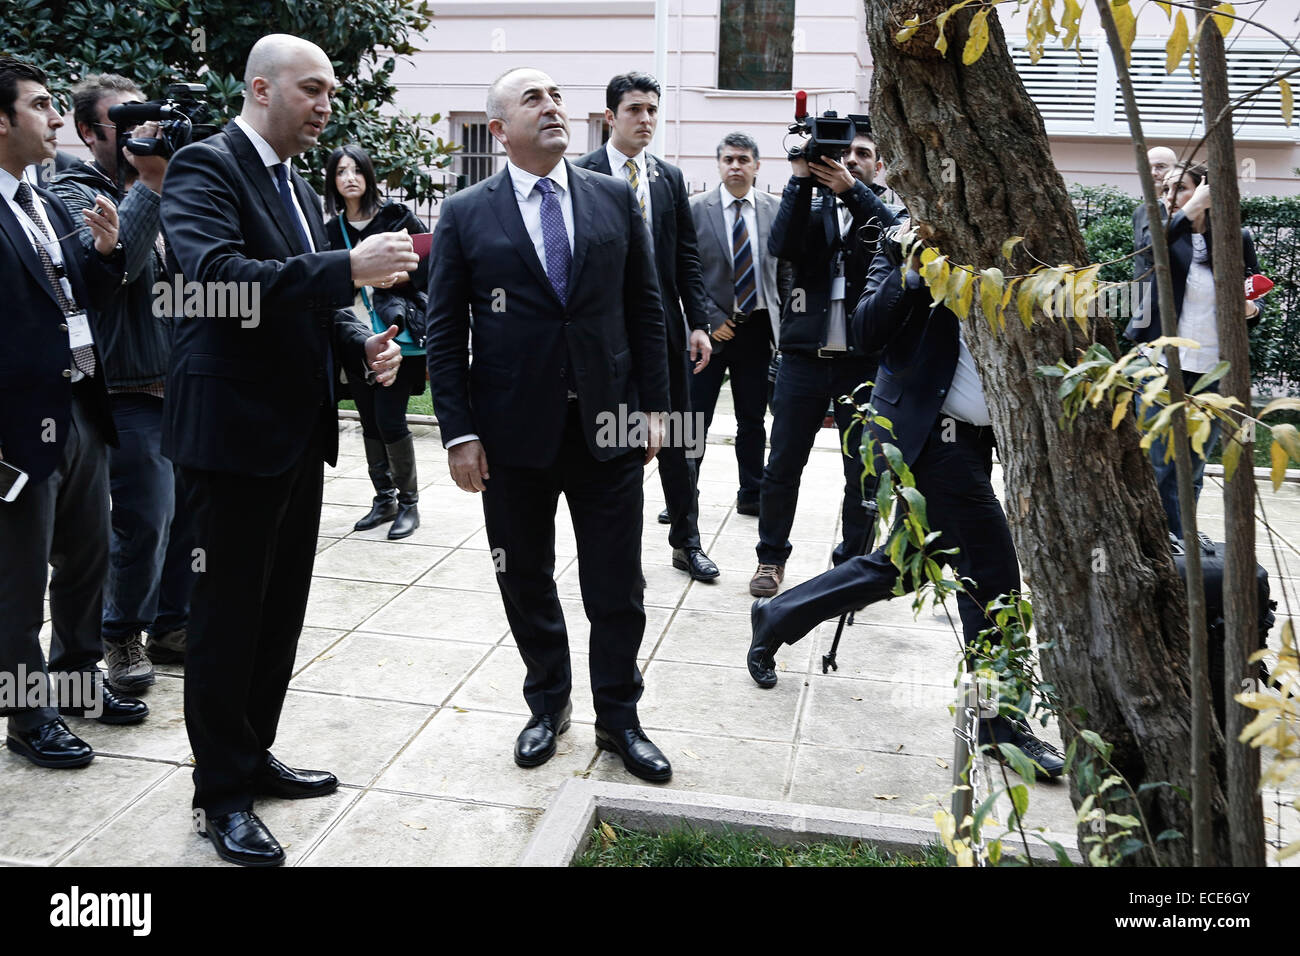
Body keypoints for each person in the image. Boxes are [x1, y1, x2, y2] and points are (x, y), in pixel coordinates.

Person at [160, 34, 413, 866]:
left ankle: (252, 752)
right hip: (229, 438)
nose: (326, 106)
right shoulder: (205, 166)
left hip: (298, 435)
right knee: (227, 620)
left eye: (332, 93)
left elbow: (314, 298)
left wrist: (360, 346)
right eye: (312, 90)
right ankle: (221, 794)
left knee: (278, 617)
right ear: (261, 88)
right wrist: (348, 266)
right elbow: (218, 280)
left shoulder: (299, 186)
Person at [426, 67, 675, 783]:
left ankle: (620, 718)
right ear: (499, 129)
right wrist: (459, 432)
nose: (553, 107)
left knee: (617, 585)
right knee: (525, 576)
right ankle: (548, 704)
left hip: (610, 427)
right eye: (533, 99)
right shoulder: (467, 213)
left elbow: (646, 308)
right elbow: (444, 334)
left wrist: (656, 408)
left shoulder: (612, 197)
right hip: (510, 437)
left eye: (557, 96)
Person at [746, 225, 1065, 781]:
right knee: (992, 574)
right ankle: (997, 722)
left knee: (910, 564)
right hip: (926, 439)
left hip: (971, 442)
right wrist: (912, 272)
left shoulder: (1015, 237)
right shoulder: (901, 240)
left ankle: (777, 615)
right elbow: (866, 330)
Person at [0, 56, 141, 769]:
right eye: (42, 105)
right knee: (16, 585)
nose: (57, 119)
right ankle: (26, 719)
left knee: (88, 564)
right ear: (2, 119)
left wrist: (110, 256)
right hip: (16, 434)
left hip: (83, 409)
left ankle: (80, 686)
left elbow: (83, 298)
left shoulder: (48, 203)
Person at [49, 74, 195, 688]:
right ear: (88, 131)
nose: (139, 133)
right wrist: (150, 184)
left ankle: (171, 623)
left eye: (145, 119)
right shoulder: (72, 191)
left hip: (182, 382)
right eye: (122, 123)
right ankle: (120, 636)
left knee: (188, 515)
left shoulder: (173, 183)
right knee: (144, 516)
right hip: (123, 386)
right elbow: (116, 272)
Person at [574, 72, 718, 583]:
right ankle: (618, 552)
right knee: (620, 441)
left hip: (663, 334)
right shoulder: (580, 175)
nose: (646, 120)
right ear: (611, 116)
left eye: (652, 110)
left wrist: (698, 322)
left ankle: (687, 542)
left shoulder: (668, 178)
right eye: (635, 110)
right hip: (609, 337)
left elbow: (686, 256)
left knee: (679, 440)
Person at [751, 126, 899, 598]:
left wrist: (853, 193)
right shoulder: (810, 206)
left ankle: (852, 565)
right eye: (843, 153)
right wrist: (799, 176)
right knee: (782, 465)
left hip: (863, 361)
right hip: (803, 358)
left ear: (879, 166)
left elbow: (890, 244)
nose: (851, 159)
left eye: (863, 154)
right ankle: (770, 558)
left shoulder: (886, 213)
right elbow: (782, 246)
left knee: (864, 470)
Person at [1130, 162, 1262, 538]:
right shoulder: (1160, 227)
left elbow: (1253, 294)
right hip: (1159, 362)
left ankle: (1183, 531)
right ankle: (1158, 535)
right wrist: (1188, 209)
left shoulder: (1236, 238)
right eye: (1166, 188)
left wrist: (1251, 308)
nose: (1169, 196)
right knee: (1159, 459)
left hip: (1211, 369)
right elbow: (1147, 249)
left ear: (1205, 192)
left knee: (1194, 460)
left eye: (1181, 188)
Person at [324, 143, 430, 539]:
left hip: (397, 335)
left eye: (355, 170)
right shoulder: (330, 230)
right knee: (369, 420)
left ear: (368, 176)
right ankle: (383, 498)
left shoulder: (397, 218)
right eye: (340, 172)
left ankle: (409, 503)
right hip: (351, 334)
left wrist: (396, 277)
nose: (349, 177)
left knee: (389, 418)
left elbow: (429, 263)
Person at [688, 132, 791, 517]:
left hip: (757, 328)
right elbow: (687, 271)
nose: (735, 166)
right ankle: (684, 494)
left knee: (752, 418)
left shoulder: (774, 209)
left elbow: (784, 270)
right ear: (718, 164)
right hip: (707, 331)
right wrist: (713, 320)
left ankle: (751, 493)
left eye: (743, 159)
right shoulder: (696, 208)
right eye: (728, 159)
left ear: (757, 166)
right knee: (693, 418)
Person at [1132, 145, 1177, 284]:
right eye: (1148, 167)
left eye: (1160, 167)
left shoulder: (1185, 208)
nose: (1153, 173)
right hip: (1141, 293)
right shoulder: (1139, 212)